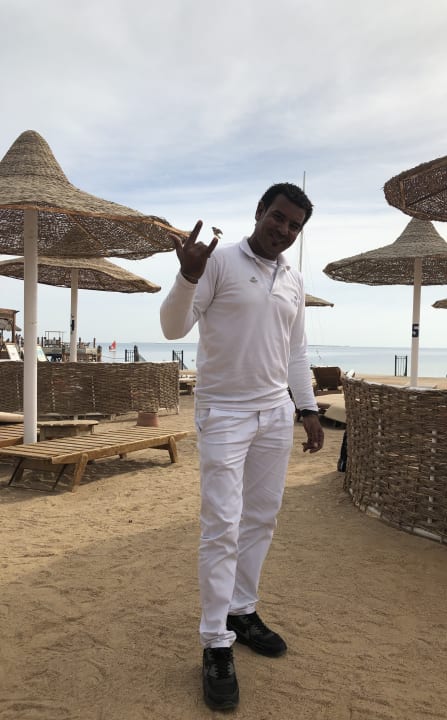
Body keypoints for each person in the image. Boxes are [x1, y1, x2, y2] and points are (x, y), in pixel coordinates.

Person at [160, 182, 324, 711]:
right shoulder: (218, 263)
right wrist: (187, 276)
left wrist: (308, 408)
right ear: (259, 212)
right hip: (224, 413)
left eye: (294, 225)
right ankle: (215, 641)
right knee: (221, 525)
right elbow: (172, 327)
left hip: (274, 414)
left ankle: (242, 610)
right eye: (278, 217)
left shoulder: (293, 278)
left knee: (260, 519)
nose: (284, 229)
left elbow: (295, 351)